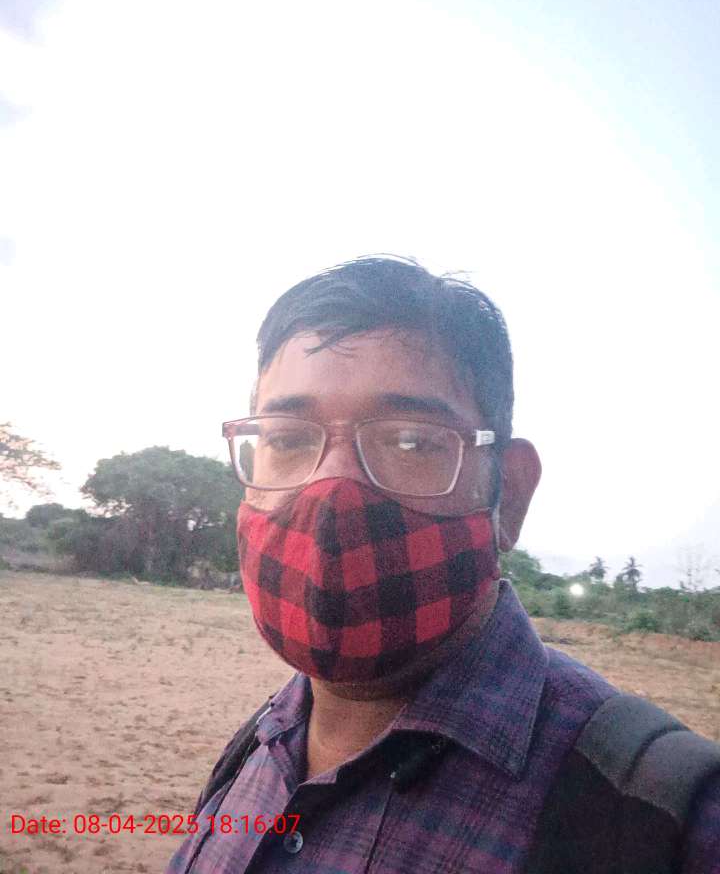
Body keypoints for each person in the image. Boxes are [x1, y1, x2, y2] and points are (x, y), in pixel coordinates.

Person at [165, 255, 720, 873]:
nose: (331, 489)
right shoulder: (260, 741)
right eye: (287, 439)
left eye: (411, 441)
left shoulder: (668, 822)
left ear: (509, 495)